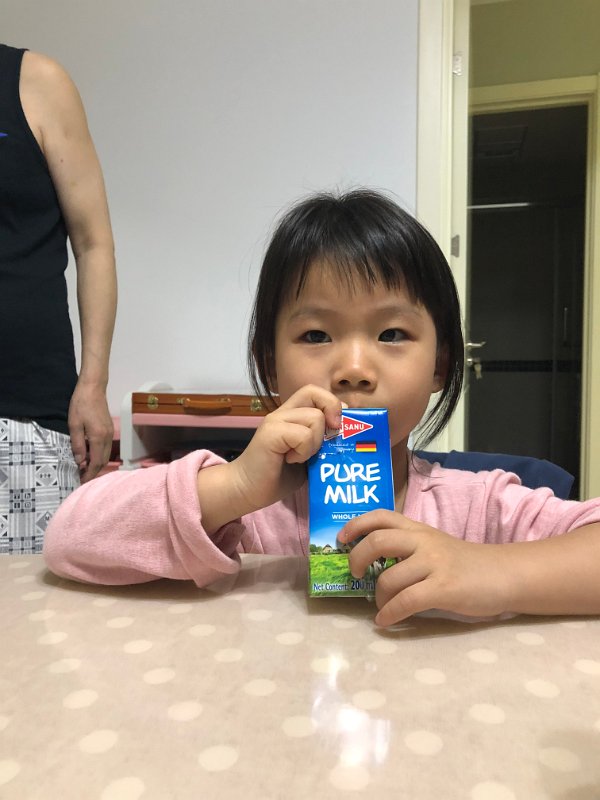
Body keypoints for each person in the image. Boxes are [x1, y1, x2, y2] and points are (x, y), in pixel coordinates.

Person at [44, 190, 600, 627]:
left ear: (440, 365)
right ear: (269, 366)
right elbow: (68, 538)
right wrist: (233, 488)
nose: (353, 368)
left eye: (391, 333)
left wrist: (489, 570)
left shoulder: (477, 509)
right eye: (315, 334)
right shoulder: (248, 515)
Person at [0, 44, 117, 554]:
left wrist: (93, 383)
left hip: (26, 419)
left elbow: (94, 244)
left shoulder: (36, 82)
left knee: (33, 603)